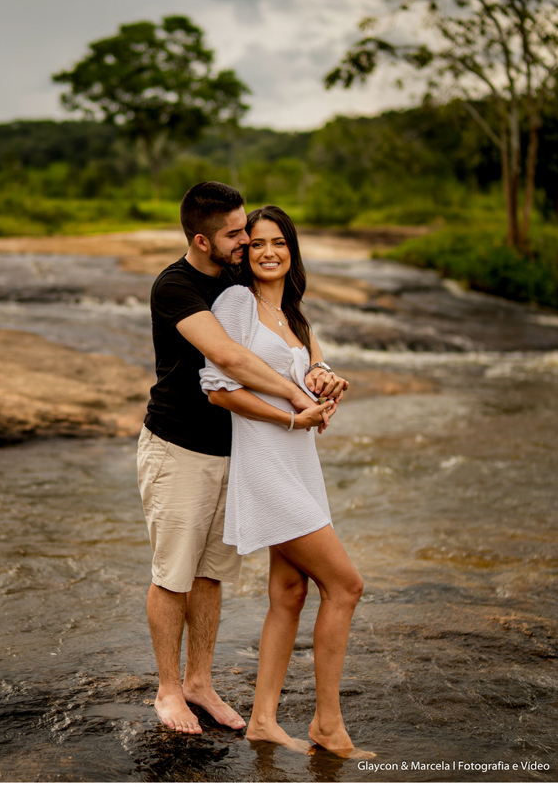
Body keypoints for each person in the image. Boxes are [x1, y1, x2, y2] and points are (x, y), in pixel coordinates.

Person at [137, 182, 348, 737]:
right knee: (173, 572)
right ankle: (168, 689)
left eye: (250, 234)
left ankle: (200, 682)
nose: (247, 242)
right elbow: (229, 358)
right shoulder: (176, 287)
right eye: (237, 234)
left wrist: (321, 370)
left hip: (234, 448)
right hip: (179, 446)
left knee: (210, 573)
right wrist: (300, 401)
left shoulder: (237, 273)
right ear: (203, 240)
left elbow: (290, 325)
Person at [199, 205, 374, 759]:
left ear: (291, 250)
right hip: (267, 463)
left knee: (289, 593)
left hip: (301, 464)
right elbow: (217, 387)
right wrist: (291, 417)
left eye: (278, 243)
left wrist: (325, 381)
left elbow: (315, 378)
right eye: (256, 245)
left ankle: (263, 721)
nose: (268, 252)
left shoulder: (295, 316)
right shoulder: (236, 303)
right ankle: (327, 724)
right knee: (346, 586)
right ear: (243, 254)